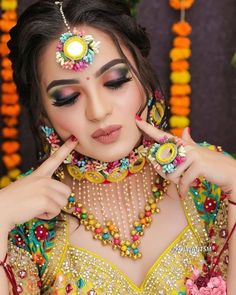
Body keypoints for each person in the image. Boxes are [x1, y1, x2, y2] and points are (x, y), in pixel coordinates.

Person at [0, 0, 235, 294]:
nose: (98, 111)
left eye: (115, 81)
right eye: (68, 97)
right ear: (44, 114)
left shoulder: (210, 185)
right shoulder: (24, 221)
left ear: (144, 80)